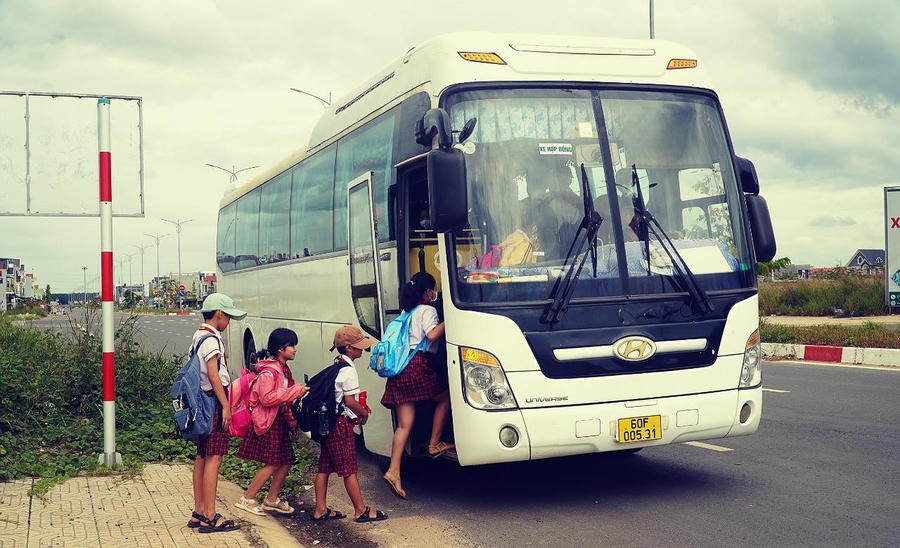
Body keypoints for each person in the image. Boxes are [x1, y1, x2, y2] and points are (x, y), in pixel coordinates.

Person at [381, 272, 453, 499]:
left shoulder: (406, 312)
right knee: (445, 397)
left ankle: (393, 471)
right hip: (418, 365)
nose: (435, 293)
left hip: (400, 368)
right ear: (427, 292)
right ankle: (434, 444)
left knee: (404, 425)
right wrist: (453, 316)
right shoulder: (427, 310)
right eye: (434, 289)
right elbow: (432, 336)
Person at [313, 326, 388, 523]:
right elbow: (350, 402)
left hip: (328, 424)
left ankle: (320, 509)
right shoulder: (348, 371)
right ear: (348, 348)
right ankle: (360, 510)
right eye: (358, 346)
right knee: (349, 470)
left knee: (324, 467)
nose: (362, 349)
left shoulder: (337, 365)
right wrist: (364, 414)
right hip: (340, 425)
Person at [234, 328, 307, 516]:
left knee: (287, 460)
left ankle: (271, 499)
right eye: (291, 346)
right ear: (281, 349)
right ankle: (247, 498)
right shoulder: (269, 372)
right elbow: (266, 399)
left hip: (278, 419)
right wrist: (294, 392)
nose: (295, 349)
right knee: (273, 462)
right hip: (269, 422)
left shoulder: (283, 369)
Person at [188, 293, 245, 533]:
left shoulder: (198, 335)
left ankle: (199, 511)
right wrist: (226, 406)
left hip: (201, 403)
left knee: (202, 456)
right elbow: (213, 375)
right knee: (215, 457)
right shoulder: (211, 340)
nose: (229, 321)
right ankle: (210, 515)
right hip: (212, 402)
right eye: (228, 316)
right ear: (219, 314)